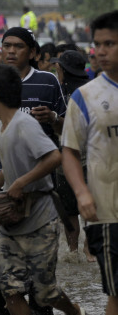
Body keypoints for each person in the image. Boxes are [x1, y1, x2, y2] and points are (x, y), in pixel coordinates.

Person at [0, 63, 87, 315]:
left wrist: (21, 183)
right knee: (10, 290)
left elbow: (53, 157)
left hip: (40, 217)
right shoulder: (2, 126)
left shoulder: (24, 125)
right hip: (10, 221)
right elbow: (8, 168)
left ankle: (73, 312)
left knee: (44, 292)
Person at [0, 27, 66, 315]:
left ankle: (45, 309)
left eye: (17, 46)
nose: (10, 51)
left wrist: (52, 119)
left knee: (40, 262)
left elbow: (64, 135)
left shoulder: (48, 81)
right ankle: (1, 314)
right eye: (5, 46)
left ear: (33, 52)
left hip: (37, 189)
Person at [62, 10, 118, 315]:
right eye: (97, 44)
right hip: (107, 212)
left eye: (110, 43)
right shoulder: (85, 96)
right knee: (117, 291)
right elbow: (69, 150)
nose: (100, 51)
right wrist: (81, 192)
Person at [50, 50, 97, 262]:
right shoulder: (91, 90)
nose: (56, 69)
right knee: (87, 206)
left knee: (70, 210)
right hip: (84, 159)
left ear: (63, 70)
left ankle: (74, 250)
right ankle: (86, 250)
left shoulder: (67, 93)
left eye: (58, 67)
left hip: (72, 159)